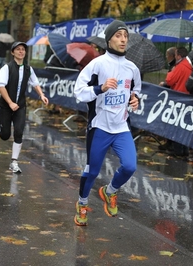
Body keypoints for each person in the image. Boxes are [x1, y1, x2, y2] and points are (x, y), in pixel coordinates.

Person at [73, 20, 141, 226]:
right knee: (92, 171)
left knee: (130, 166)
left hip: (121, 127)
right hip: (100, 126)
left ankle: (109, 191)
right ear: (109, 39)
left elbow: (136, 92)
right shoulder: (98, 64)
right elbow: (78, 91)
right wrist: (99, 88)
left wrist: (135, 101)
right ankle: (82, 204)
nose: (123, 40)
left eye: (125, 36)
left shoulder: (132, 68)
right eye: (119, 36)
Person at [0, 41, 49, 173]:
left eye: (23, 49)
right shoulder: (6, 68)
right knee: (5, 135)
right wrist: (10, 103)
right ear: (13, 52)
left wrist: (41, 95)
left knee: (19, 132)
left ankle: (14, 162)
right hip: (6, 106)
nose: (21, 51)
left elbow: (35, 83)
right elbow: (1, 86)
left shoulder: (28, 69)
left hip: (20, 106)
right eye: (18, 49)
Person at [158, 46, 192, 155]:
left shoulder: (181, 66)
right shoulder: (188, 65)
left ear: (178, 55)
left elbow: (170, 80)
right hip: (185, 96)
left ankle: (177, 150)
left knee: (176, 125)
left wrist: (171, 72)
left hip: (178, 97)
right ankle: (184, 150)